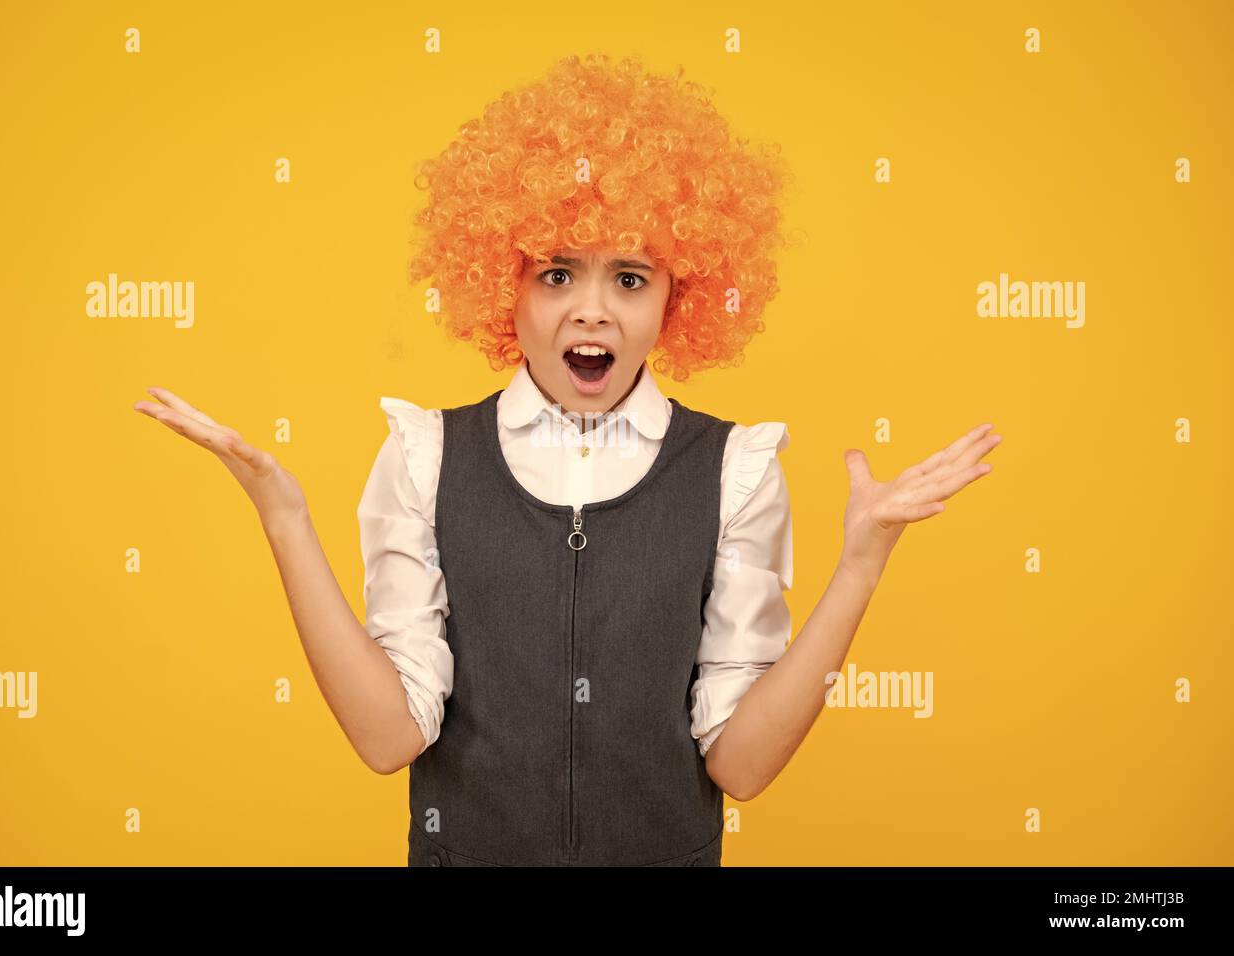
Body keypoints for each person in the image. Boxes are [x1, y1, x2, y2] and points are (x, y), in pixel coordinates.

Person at [133, 54, 1000, 867]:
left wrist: (861, 563)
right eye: (556, 274)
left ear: (679, 296)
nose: (591, 312)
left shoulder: (734, 470)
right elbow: (387, 738)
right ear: (502, 282)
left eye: (630, 278)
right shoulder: (426, 457)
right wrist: (284, 518)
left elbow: (741, 766)